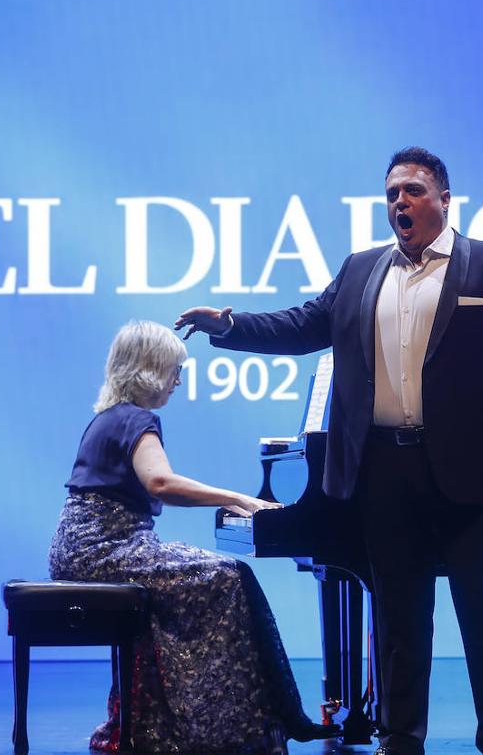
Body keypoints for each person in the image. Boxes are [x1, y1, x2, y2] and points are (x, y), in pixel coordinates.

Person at [175, 147, 483, 755]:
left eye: (414, 191)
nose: (401, 201)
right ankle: (401, 740)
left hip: (469, 472)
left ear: (445, 200)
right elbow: (300, 326)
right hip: (383, 470)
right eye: (393, 193)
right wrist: (229, 325)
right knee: (398, 620)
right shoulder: (360, 270)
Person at [48, 320, 338, 754]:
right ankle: (226, 729)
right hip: (104, 547)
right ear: (149, 368)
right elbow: (160, 483)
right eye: (174, 370)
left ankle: (165, 726)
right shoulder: (136, 418)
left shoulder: (111, 416)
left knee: (223, 574)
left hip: (88, 545)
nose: (179, 381)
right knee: (226, 578)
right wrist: (241, 499)